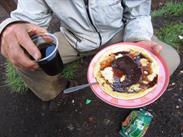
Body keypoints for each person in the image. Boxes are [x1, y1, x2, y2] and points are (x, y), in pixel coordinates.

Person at [0, 0, 180, 111]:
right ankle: (55, 93)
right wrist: (10, 27)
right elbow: (27, 20)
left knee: (170, 58)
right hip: (75, 38)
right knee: (26, 58)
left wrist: (135, 41)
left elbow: (138, 13)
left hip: (118, 36)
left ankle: (133, 91)